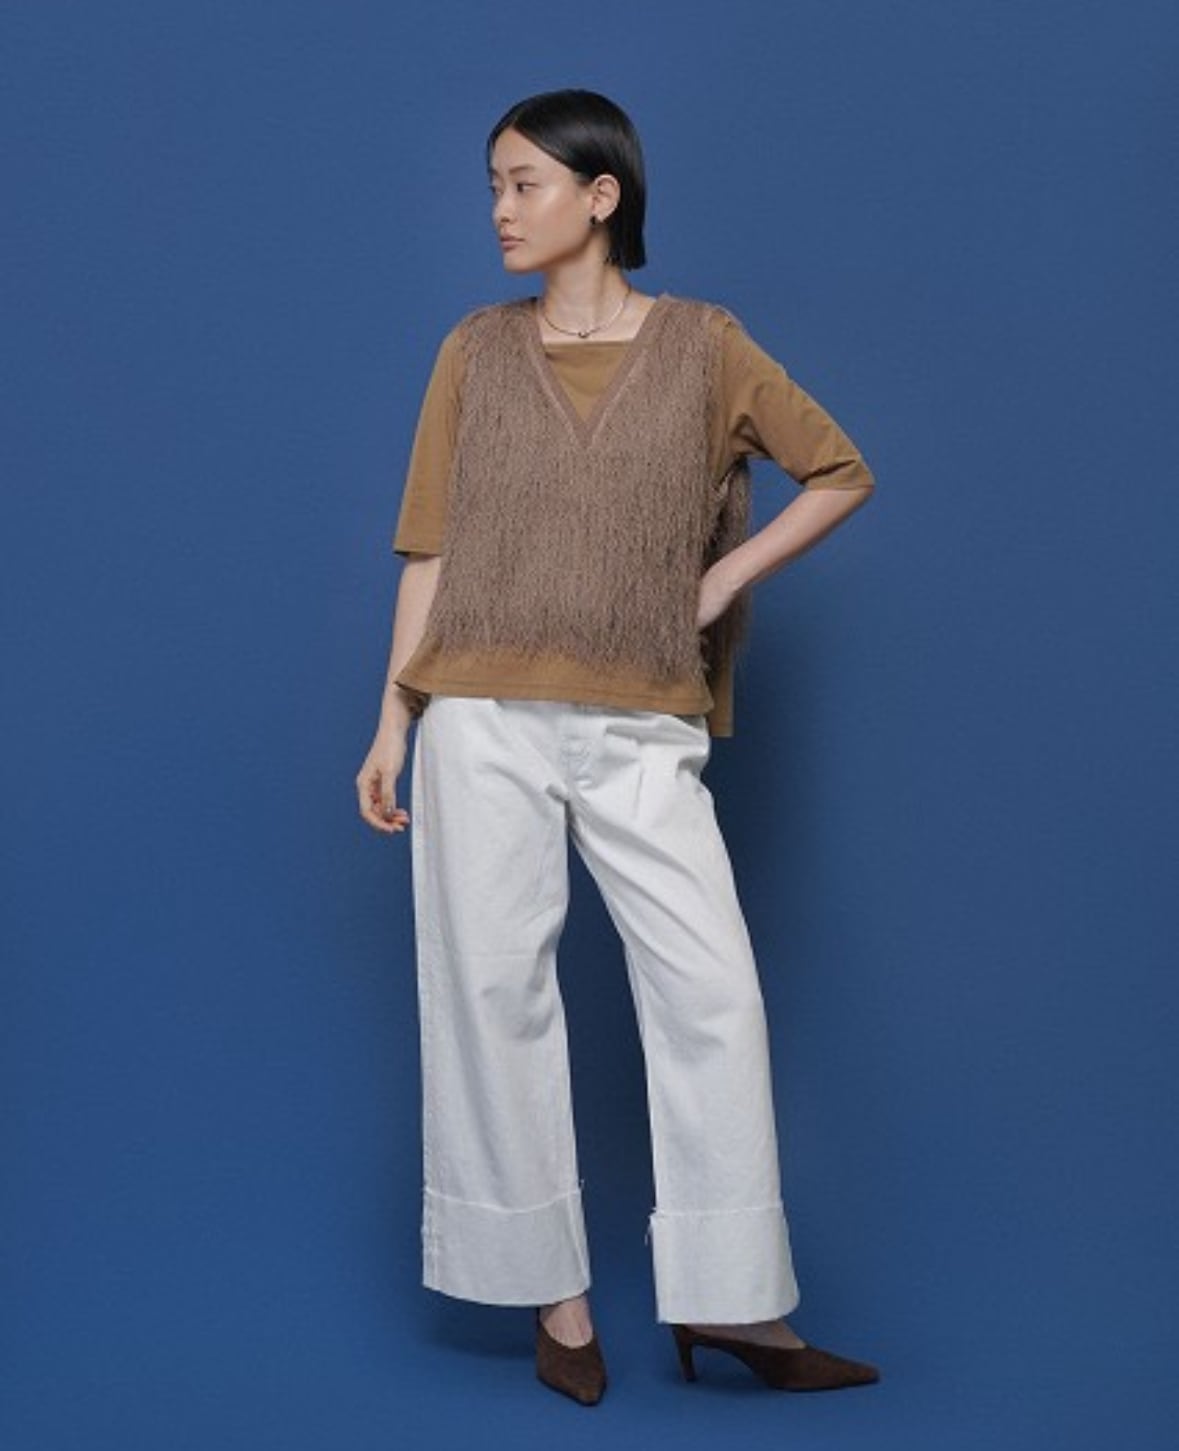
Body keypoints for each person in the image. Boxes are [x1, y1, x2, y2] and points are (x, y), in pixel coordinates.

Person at [356, 88, 881, 1407]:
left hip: (644, 717)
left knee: (711, 995)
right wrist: (394, 716)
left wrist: (719, 581)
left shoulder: (706, 345)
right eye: (492, 186)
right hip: (478, 714)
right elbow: (430, 547)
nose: (500, 210)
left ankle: (735, 1299)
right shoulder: (474, 351)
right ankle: (558, 1299)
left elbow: (840, 472)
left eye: (524, 183)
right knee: (492, 992)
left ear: (602, 196)